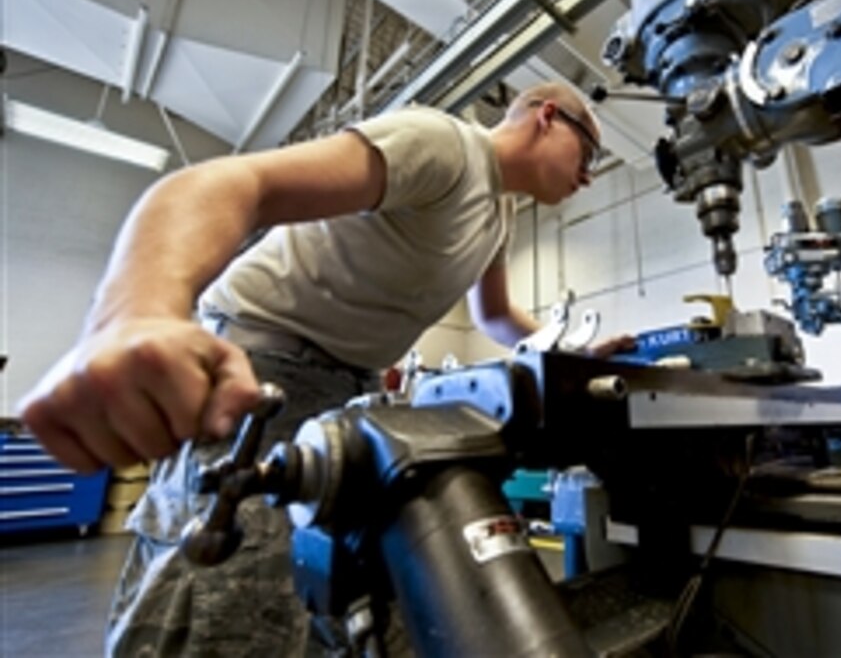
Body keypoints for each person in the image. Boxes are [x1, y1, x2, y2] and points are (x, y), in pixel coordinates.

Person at [17, 81, 633, 656]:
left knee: (349, 599)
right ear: (548, 117)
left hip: (351, 394)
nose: (590, 172)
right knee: (222, 607)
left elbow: (496, 317)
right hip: (262, 373)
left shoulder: (497, 214)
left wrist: (563, 350)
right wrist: (135, 315)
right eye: (589, 150)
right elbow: (229, 184)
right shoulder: (444, 147)